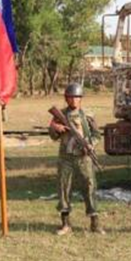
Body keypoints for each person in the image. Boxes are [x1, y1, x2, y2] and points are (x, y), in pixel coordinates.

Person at [48, 83, 104, 235]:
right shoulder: (59, 115)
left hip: (84, 158)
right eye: (71, 97)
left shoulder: (88, 116)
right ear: (66, 99)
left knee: (89, 188)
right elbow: (52, 135)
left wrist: (90, 145)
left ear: (81, 99)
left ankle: (95, 223)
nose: (74, 100)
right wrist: (56, 129)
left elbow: (97, 135)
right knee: (64, 189)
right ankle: (65, 224)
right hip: (66, 158)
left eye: (77, 97)